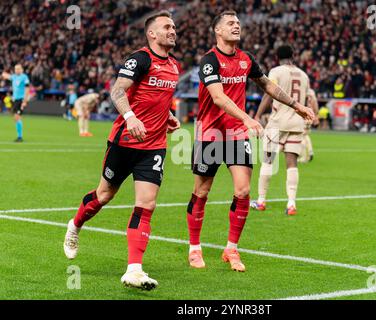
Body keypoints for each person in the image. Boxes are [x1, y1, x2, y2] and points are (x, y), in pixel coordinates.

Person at [187, 11, 315, 272]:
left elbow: (267, 85)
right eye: (230, 24)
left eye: (238, 23)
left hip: (237, 134)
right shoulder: (209, 61)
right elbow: (219, 98)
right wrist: (248, 118)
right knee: (201, 192)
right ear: (218, 31)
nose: (236, 26)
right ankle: (194, 247)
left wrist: (297, 105)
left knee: (244, 191)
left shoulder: (246, 59)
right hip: (210, 134)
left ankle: (231, 248)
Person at [63, 10, 181, 290]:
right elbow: (118, 91)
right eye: (167, 26)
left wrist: (167, 117)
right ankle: (75, 225)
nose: (173, 30)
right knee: (104, 195)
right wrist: (130, 117)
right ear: (151, 33)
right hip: (124, 141)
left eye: (174, 27)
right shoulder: (139, 59)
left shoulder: (175, 66)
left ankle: (134, 270)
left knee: (147, 204)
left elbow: (155, 99)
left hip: (153, 146)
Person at [251, 44, 312, 216]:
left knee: (268, 160)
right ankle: (291, 204)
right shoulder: (304, 75)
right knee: (292, 163)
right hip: (296, 123)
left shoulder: (276, 71)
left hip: (277, 123)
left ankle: (261, 200)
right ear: (293, 55)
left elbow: (269, 93)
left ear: (277, 57)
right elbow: (306, 99)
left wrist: (257, 115)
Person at [1, 64, 30, 142]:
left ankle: (20, 137)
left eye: (18, 69)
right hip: (15, 100)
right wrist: (3, 72)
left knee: (17, 117)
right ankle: (19, 136)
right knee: (15, 118)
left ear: (22, 69)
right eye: (16, 69)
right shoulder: (14, 77)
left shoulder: (24, 77)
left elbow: (27, 89)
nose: (17, 70)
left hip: (21, 99)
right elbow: (5, 75)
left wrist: (25, 101)